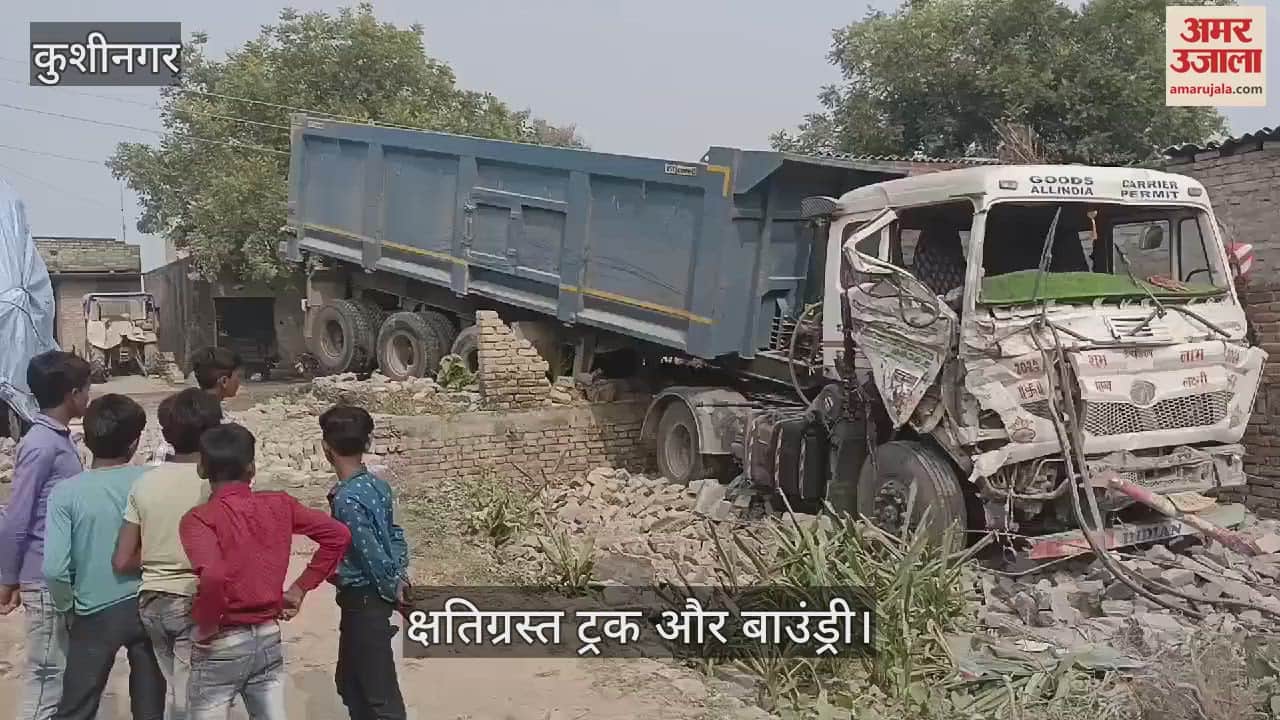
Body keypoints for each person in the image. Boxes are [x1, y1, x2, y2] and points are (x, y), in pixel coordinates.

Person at [180, 423, 351, 720]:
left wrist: (206, 626)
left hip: (223, 639)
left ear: (202, 469)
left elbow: (213, 576)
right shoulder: (279, 504)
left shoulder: (199, 519)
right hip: (267, 635)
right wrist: (300, 588)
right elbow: (338, 535)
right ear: (252, 468)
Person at [43, 394, 164, 720]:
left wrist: (66, 606)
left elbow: (54, 568)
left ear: (88, 439)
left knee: (77, 705)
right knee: (151, 704)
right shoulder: (151, 482)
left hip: (93, 611)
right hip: (147, 602)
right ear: (135, 442)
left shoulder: (66, 493)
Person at [114, 389, 224, 720]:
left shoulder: (143, 483)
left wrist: (160, 556)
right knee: (196, 699)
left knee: (178, 687)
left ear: (164, 434)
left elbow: (121, 560)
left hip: (152, 606)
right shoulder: (215, 487)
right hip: (195, 600)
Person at [0, 351, 91, 720]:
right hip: (43, 576)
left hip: (58, 573)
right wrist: (8, 578)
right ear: (72, 394)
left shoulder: (58, 439)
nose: (89, 396)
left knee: (63, 676)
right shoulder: (41, 444)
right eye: (86, 389)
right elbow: (16, 517)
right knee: (45, 681)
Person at [320, 406, 410, 720]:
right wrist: (400, 575)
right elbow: (395, 535)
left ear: (325, 447)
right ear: (368, 443)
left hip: (366, 599)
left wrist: (392, 589)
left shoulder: (347, 500)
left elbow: (369, 553)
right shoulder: (376, 486)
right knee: (350, 682)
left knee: (378, 695)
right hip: (366, 598)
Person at [149, 347, 242, 465]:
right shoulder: (227, 424)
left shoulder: (172, 409)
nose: (239, 381)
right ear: (224, 381)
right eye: (238, 376)